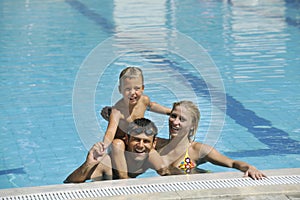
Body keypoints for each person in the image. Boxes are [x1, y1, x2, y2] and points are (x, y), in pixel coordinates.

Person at [157, 101, 266, 180]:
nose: (175, 122)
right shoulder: (157, 144)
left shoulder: (197, 150)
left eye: (182, 119)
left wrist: (250, 168)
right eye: (173, 116)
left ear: (192, 125)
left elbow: (231, 163)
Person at [100, 66, 171, 179]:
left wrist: (170, 112)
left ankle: (171, 173)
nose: (132, 93)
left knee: (165, 157)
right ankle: (124, 176)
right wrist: (103, 146)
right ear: (120, 90)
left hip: (138, 141)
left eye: (136, 88)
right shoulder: (117, 110)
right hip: (123, 142)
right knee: (117, 144)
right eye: (128, 89)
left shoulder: (144, 100)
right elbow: (111, 130)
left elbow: (152, 106)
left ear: (142, 88)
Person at [64, 118, 169, 183]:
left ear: (153, 143)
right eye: (136, 140)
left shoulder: (150, 155)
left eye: (146, 141)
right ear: (127, 139)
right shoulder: (108, 164)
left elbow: (169, 174)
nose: (140, 145)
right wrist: (88, 164)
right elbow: (69, 182)